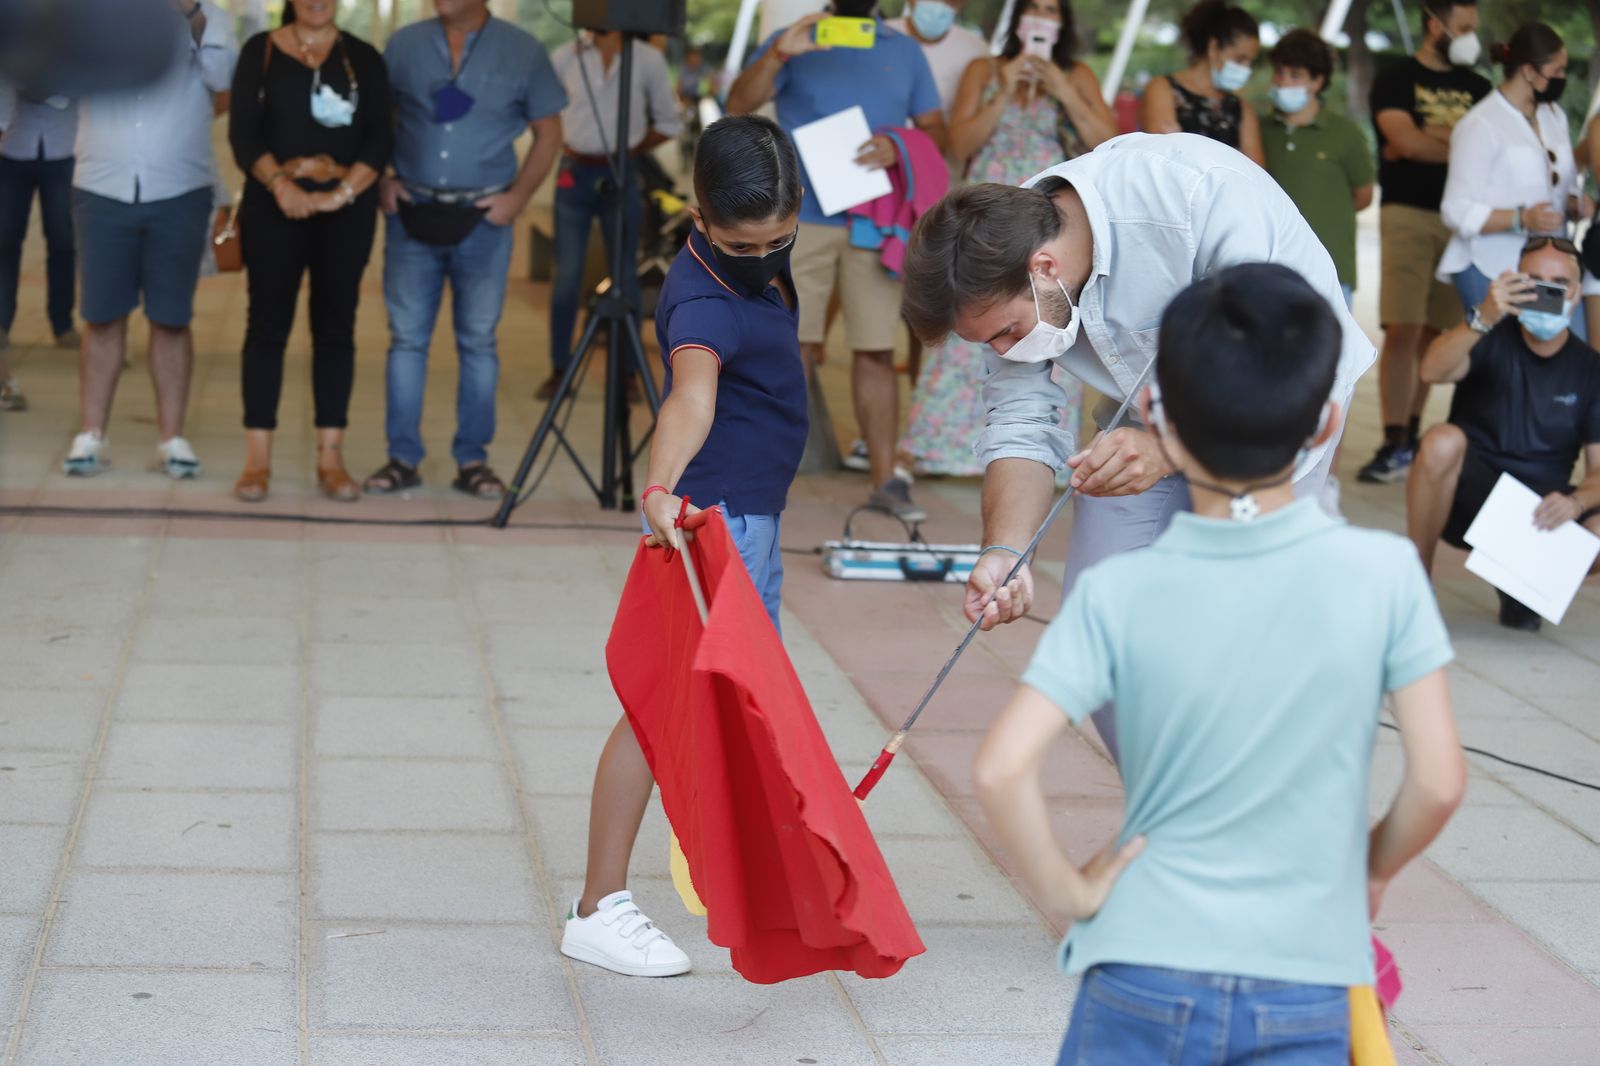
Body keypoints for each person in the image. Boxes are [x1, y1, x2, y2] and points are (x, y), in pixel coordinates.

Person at [972, 262, 1464, 1065]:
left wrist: (1074, 892)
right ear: (1324, 422)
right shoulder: (1384, 576)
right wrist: (1365, 876)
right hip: (1305, 976)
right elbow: (1439, 782)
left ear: (1160, 414)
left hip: (1139, 967)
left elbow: (999, 770)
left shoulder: (1117, 590)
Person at [899, 132, 1375, 762]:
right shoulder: (1007, 264)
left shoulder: (1194, 195)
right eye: (988, 343)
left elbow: (1275, 356)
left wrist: (1173, 449)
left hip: (1277, 414)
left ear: (1044, 268)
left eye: (1007, 332)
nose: (1005, 352)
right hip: (1140, 423)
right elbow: (1020, 421)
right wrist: (1003, 551)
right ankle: (1168, 811)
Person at [560, 115, 807, 977]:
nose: (765, 254)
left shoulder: (759, 269)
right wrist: (659, 488)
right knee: (664, 711)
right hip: (714, 526)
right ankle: (597, 906)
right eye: (744, 242)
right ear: (699, 220)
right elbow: (688, 400)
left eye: (780, 237)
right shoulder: (704, 296)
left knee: (733, 715)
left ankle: (747, 877)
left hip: (752, 524)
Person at [727, 2, 947, 523]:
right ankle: (768, 475)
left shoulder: (904, 49)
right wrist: (781, 52)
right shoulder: (793, 37)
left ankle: (886, 481)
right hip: (800, 215)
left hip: (874, 222)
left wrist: (902, 148)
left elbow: (936, 130)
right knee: (790, 347)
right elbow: (737, 104)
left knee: (874, 351)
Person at [901, 0, 1118, 476]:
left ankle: (1041, 451)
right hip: (991, 212)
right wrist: (1007, 86)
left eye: (1051, 9)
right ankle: (947, 450)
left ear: (1063, 22)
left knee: (1043, 317)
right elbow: (959, 144)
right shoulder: (986, 69)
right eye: (1033, 8)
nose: (1041, 17)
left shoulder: (1077, 74)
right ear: (1017, 18)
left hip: (1054, 217)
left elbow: (1109, 141)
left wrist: (1061, 89)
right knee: (978, 314)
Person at [363, 0, 564, 500]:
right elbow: (376, 120)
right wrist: (381, 180)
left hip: (483, 221)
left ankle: (472, 460)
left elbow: (549, 132)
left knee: (478, 342)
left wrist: (517, 199)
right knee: (406, 339)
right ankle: (401, 458)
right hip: (412, 212)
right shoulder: (404, 44)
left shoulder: (523, 50)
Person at [63, 0, 236, 478]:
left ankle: (172, 438)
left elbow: (223, 82)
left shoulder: (211, 17)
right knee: (101, 317)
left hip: (180, 187)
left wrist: (192, 17)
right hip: (102, 184)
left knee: (172, 319)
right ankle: (91, 434)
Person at [228, 0, 391, 503]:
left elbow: (380, 139)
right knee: (266, 327)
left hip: (347, 210)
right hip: (274, 205)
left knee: (336, 328)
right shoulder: (259, 51)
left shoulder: (362, 56)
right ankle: (257, 460)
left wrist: (338, 195)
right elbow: (242, 134)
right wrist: (282, 187)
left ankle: (331, 457)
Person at [1408, 237, 1600, 632]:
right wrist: (1483, 315)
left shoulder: (1590, 369)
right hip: (1470, 502)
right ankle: (1415, 586)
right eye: (1534, 281)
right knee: (1441, 440)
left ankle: (1522, 584)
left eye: (1558, 283)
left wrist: (1577, 503)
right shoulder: (1486, 332)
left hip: (1539, 519)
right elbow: (1431, 371)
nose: (1546, 293)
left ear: (1577, 293)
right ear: (1514, 282)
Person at [1356, 0, 1490, 485]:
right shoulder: (1395, 77)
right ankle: (1392, 439)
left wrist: (1428, 136)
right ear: (1435, 25)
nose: (1471, 36)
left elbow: (1473, 149)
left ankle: (1408, 437)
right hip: (1407, 214)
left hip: (1463, 225)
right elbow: (1402, 143)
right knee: (1404, 329)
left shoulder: (1480, 87)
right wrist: (1456, 141)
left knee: (1438, 332)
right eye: (1463, 27)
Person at [539, 30, 681, 401]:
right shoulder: (565, 55)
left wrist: (630, 150)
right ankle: (559, 370)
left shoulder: (647, 59)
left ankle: (628, 374)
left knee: (624, 277)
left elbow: (668, 123)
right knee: (567, 276)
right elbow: (541, 111)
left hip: (621, 172)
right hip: (574, 170)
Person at [1437, 24, 1595, 345]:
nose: (1563, 78)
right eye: (1558, 70)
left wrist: (1575, 202)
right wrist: (1520, 219)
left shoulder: (1555, 116)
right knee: (1500, 359)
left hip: (1547, 265)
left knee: (1567, 349)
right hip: (1490, 264)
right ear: (1528, 71)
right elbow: (1455, 208)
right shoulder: (1480, 124)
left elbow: (1561, 179)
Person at [1260, 29, 1374, 310]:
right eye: (1279, 72)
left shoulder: (1345, 132)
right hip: (1268, 266)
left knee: (1333, 353)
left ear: (1318, 81)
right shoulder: (1258, 130)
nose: (1283, 82)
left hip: (1331, 270)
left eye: (1295, 75)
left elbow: (1364, 196)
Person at [1137, 0, 1264, 168]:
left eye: (1250, 62)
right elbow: (1162, 160)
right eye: (1240, 59)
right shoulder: (1162, 89)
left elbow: (1256, 172)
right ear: (1213, 47)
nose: (1246, 69)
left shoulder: (1240, 107)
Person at [0, 88, 78, 358]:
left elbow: (71, 87)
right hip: (12, 148)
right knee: (5, 241)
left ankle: (62, 324)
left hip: (63, 149)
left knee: (63, 241)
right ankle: (2, 322)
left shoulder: (74, 45)